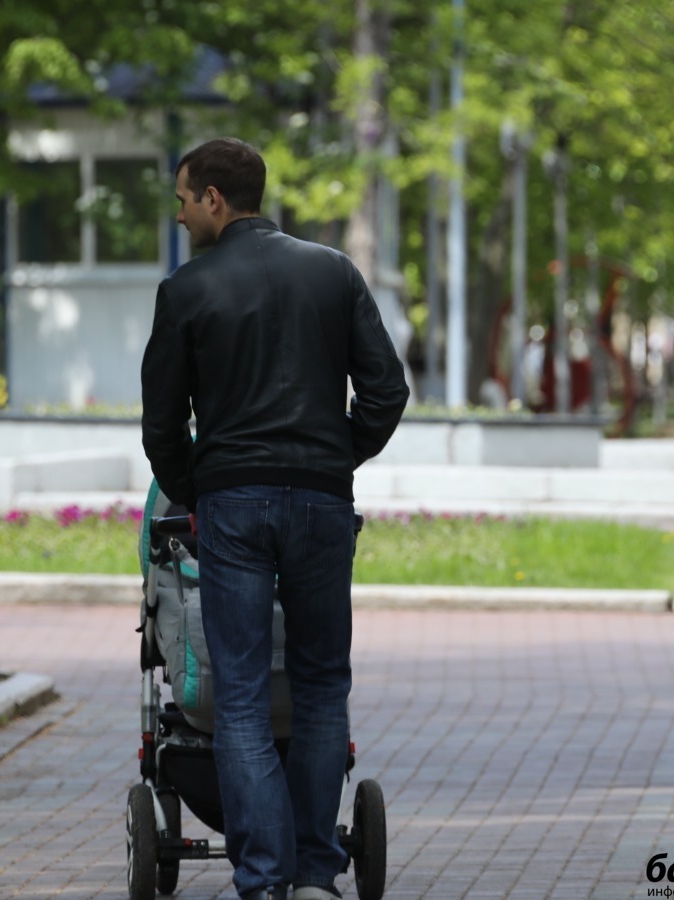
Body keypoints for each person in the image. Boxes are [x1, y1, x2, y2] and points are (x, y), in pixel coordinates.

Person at [140, 138, 409, 900]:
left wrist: (199, 487)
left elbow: (161, 424)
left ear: (216, 200)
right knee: (324, 686)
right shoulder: (333, 272)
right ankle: (319, 873)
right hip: (322, 503)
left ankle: (264, 882)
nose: (182, 211)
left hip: (233, 504)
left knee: (244, 694)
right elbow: (386, 393)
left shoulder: (187, 290)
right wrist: (335, 459)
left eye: (186, 197)